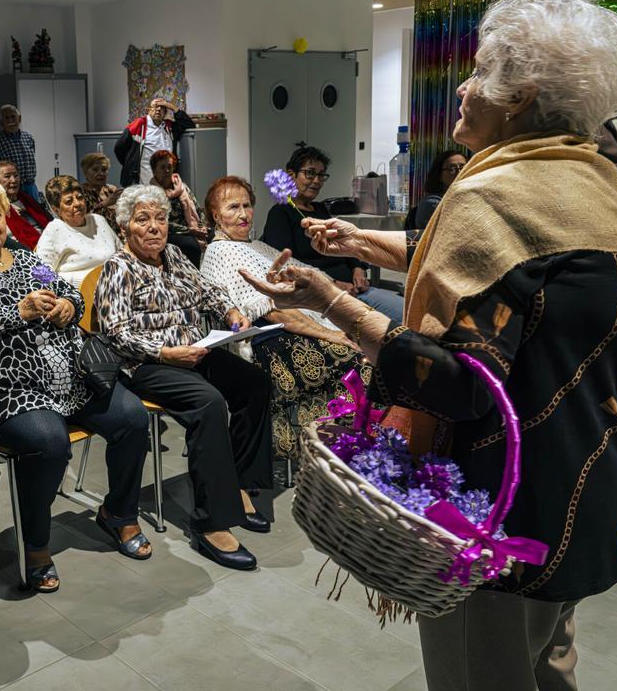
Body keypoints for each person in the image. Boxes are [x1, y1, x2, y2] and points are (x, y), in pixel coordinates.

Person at [241, 0, 617, 691]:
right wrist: (368, 244)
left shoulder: (491, 196)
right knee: (551, 669)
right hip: (584, 495)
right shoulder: (590, 181)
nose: (462, 87)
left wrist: (331, 299)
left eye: (481, 70)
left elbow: (460, 382)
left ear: (520, 95)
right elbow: (521, 282)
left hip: (497, 515)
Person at [0, 178, 154, 592]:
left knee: (133, 418)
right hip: (4, 389)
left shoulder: (25, 257)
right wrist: (20, 310)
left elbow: (69, 292)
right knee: (49, 443)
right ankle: (36, 543)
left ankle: (118, 513)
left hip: (72, 378)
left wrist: (70, 305)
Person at [95, 184, 273, 571]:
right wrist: (164, 352)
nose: (155, 227)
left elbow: (209, 291)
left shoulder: (174, 255)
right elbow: (114, 331)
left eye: (160, 218)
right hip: (148, 363)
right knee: (208, 403)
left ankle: (239, 485)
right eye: (143, 219)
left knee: (254, 384)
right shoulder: (118, 267)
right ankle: (211, 524)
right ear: (125, 226)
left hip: (195, 350)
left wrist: (230, 312)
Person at [199, 176, 369, 462]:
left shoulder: (258, 247)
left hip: (302, 330)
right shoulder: (220, 252)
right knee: (360, 363)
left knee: (373, 349)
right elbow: (272, 309)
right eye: (233, 207)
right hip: (272, 342)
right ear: (216, 215)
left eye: (247, 205)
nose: (243, 214)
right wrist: (330, 334)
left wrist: (337, 288)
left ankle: (343, 449)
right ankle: (340, 453)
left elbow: (304, 273)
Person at [261, 147, 404, 324]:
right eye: (310, 173)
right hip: (325, 297)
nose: (317, 181)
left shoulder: (321, 209)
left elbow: (344, 246)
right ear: (291, 175)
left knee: (409, 313)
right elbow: (288, 266)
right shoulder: (280, 213)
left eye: (321, 175)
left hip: (355, 290)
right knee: (400, 322)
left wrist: (357, 268)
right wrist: (331, 283)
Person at [34, 175, 121, 287]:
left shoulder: (98, 220)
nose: (77, 204)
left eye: (80, 197)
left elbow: (121, 254)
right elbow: (40, 275)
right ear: (56, 209)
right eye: (69, 202)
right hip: (80, 296)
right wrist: (78, 282)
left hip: (115, 287)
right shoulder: (54, 230)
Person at [114, 97, 195, 187]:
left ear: (165, 112)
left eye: (162, 107)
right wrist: (131, 164)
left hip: (164, 182)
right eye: (155, 106)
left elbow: (189, 124)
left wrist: (171, 106)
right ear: (149, 110)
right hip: (142, 183)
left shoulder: (169, 127)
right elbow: (119, 148)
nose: (159, 109)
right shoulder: (139, 125)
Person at [149, 149, 209, 266]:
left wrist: (202, 226)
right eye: (162, 167)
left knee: (214, 236)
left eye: (169, 166)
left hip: (192, 227)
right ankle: (193, 278)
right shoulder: (151, 193)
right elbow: (160, 221)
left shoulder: (182, 187)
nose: (167, 170)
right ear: (154, 170)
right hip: (170, 232)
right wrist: (190, 231)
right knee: (191, 246)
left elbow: (197, 209)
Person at [0, 105, 40, 202]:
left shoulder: (28, 138)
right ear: (1, 123)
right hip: (9, 189)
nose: (10, 121)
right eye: (6, 118)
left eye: (13, 117)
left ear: (20, 118)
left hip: (30, 187)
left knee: (35, 214)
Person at [0, 160, 51, 250]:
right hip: (24, 253)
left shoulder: (29, 200)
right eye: (7, 176)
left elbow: (50, 222)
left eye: (16, 175)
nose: (13, 180)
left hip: (49, 245)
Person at [412, 151, 468, 229]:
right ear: (439, 176)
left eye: (463, 167)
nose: (459, 172)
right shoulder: (433, 203)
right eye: (451, 169)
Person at [80, 152, 121, 222]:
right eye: (95, 170)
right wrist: (105, 204)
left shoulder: (111, 190)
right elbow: (83, 219)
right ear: (85, 172)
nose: (101, 173)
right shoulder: (80, 192)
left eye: (104, 170)